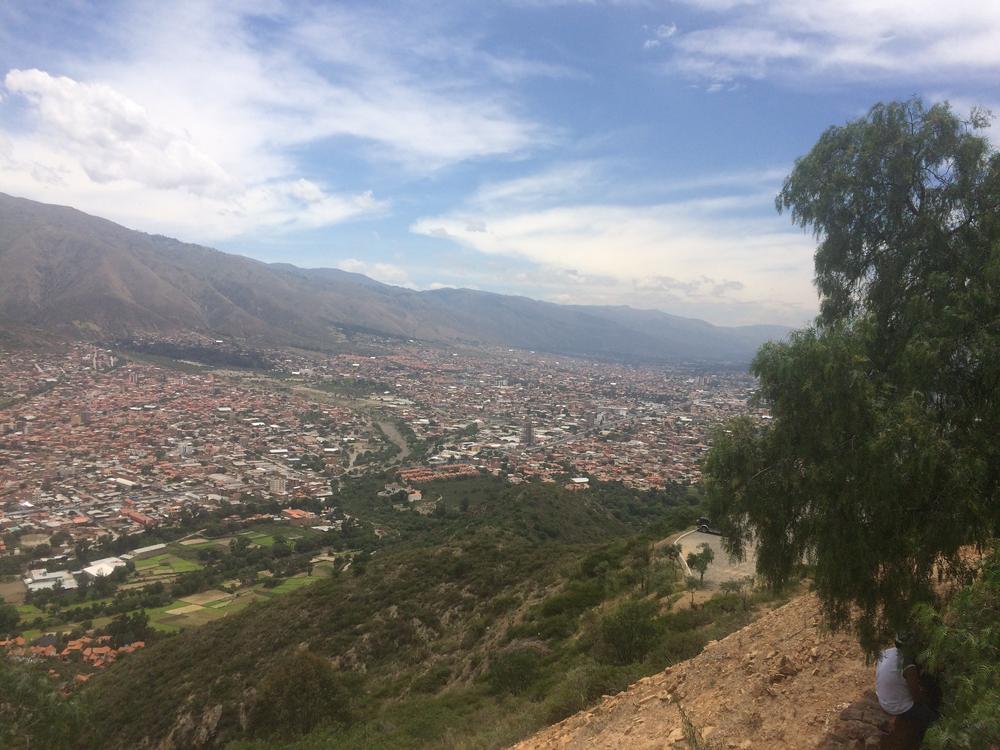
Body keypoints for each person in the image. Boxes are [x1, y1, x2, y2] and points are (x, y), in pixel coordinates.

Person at [875, 634, 938, 739]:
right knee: (933, 719)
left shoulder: (887, 652)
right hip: (898, 706)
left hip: (883, 699)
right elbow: (916, 698)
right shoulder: (908, 666)